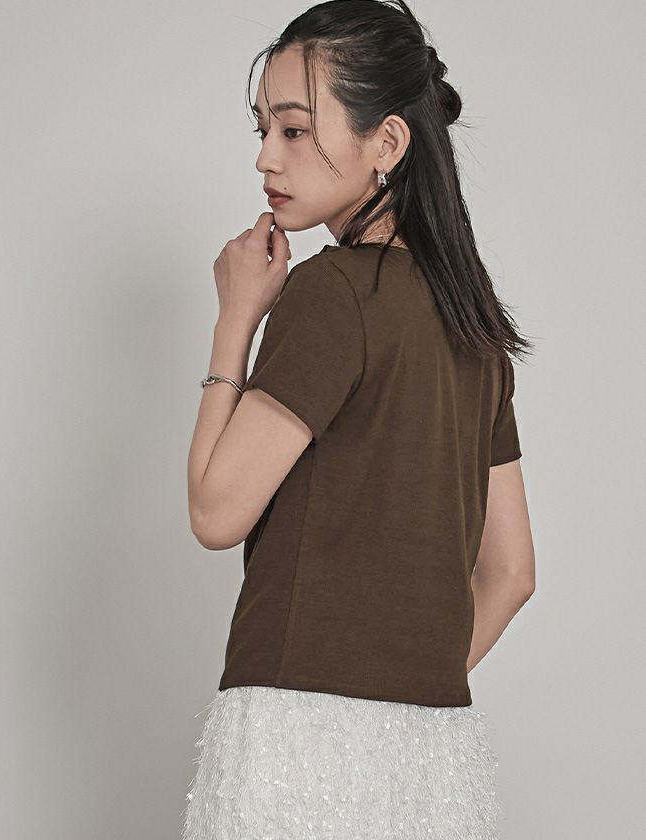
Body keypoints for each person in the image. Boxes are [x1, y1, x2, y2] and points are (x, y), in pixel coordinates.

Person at [183, 1, 535, 837]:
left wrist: (237, 318)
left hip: (294, 740)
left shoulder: (335, 291)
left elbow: (216, 511)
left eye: (295, 130)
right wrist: (400, 686)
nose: (266, 155)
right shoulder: (476, 332)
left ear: (387, 142)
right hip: (434, 755)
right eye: (264, 128)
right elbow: (512, 573)